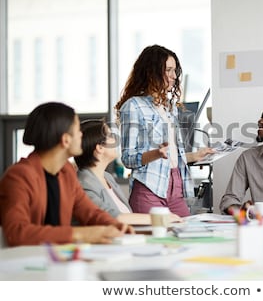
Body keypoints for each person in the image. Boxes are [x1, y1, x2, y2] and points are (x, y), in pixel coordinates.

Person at [0, 102, 133, 247]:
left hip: (60, 257)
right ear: (65, 140)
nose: (82, 135)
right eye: (78, 131)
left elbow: (90, 212)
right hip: (28, 261)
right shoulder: (18, 176)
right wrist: (81, 234)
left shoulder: (66, 173)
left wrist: (115, 226)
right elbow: (17, 233)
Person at [115, 45, 214, 217]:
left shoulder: (170, 108)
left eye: (175, 71)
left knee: (185, 236)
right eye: (168, 70)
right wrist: (155, 153)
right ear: (151, 71)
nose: (174, 76)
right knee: (155, 242)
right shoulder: (133, 106)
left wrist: (194, 156)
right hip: (149, 189)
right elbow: (127, 159)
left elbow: (170, 155)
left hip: (176, 188)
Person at [74, 119, 183, 225]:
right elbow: (111, 217)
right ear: (100, 148)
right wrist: (160, 218)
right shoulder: (84, 184)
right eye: (111, 136)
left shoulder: (107, 177)